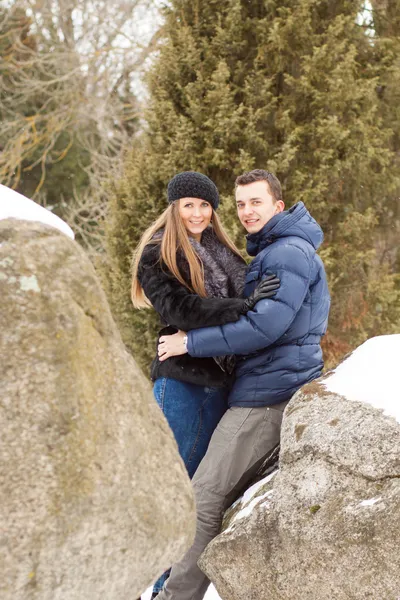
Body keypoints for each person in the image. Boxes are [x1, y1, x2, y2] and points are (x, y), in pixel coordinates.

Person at [155, 169, 331, 600]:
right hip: (263, 387)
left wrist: (189, 342)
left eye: (256, 202)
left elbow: (265, 326)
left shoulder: (287, 253)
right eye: (240, 204)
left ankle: (174, 596)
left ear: (278, 205)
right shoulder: (276, 250)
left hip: (266, 396)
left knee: (204, 496)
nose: (248, 211)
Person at [131, 171, 280, 598]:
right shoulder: (159, 252)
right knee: (178, 493)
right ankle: (160, 588)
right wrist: (243, 306)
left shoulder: (221, 250)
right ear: (174, 209)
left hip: (221, 386)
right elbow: (183, 309)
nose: (197, 213)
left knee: (201, 495)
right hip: (182, 385)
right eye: (188, 205)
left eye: (205, 205)